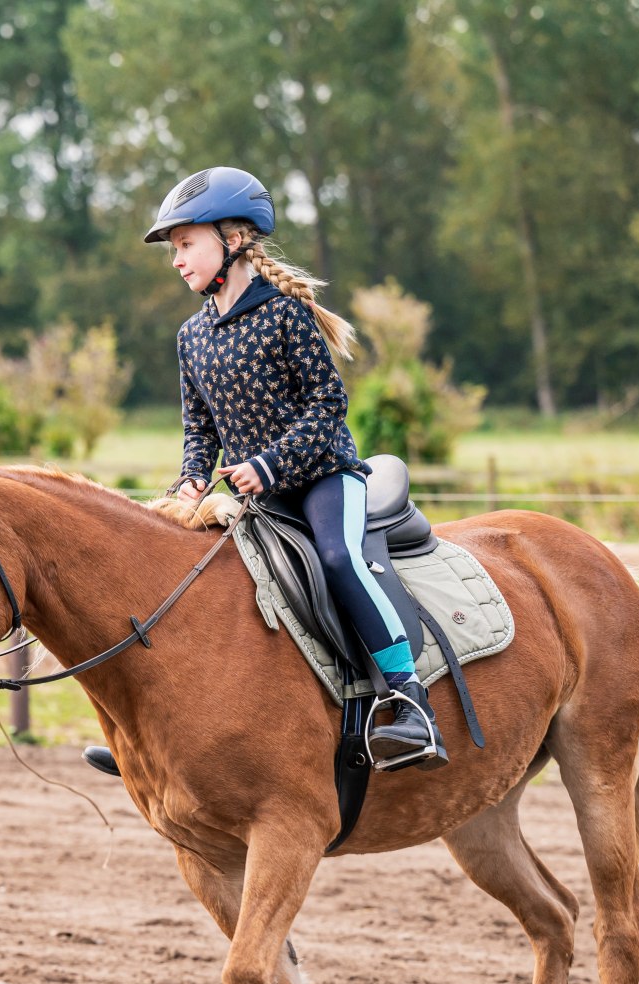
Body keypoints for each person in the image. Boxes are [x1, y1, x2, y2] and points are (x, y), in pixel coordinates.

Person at [84, 166, 447, 779]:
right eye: (173, 250)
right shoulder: (191, 336)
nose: (176, 261)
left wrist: (269, 464)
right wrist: (193, 480)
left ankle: (409, 698)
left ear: (233, 238)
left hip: (324, 478)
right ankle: (165, 734)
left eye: (186, 244)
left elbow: (328, 408)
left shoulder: (286, 316)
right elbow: (199, 429)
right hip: (252, 494)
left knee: (337, 557)